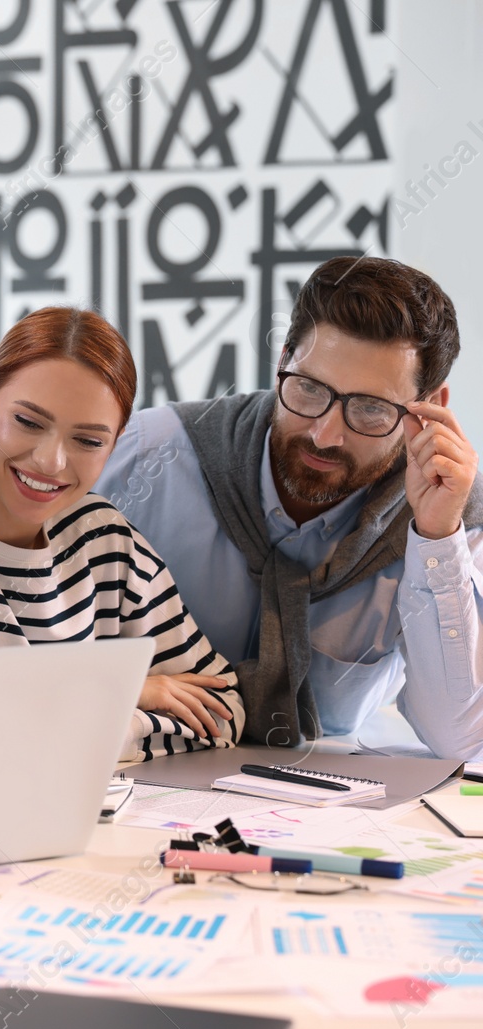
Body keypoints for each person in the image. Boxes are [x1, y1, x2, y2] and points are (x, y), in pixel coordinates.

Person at [96, 257, 483, 755]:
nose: (325, 434)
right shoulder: (151, 455)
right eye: (309, 388)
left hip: (317, 816)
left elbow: (458, 736)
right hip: (134, 786)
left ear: (430, 408)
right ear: (283, 361)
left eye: (370, 408)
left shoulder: (450, 517)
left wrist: (434, 538)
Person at [0, 306, 245, 762]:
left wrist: (120, 724)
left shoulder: (105, 538)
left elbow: (223, 711)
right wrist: (123, 688)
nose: (51, 461)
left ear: (113, 447)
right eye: (29, 422)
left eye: (88, 441)